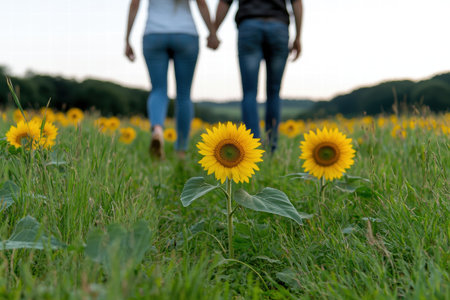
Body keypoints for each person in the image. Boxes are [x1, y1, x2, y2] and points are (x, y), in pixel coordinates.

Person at [125, 0, 219, 159]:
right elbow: (201, 3)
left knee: (158, 90)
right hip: (186, 34)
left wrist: (127, 39)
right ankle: (181, 150)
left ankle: (157, 130)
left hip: (153, 34)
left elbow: (135, 4)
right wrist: (212, 32)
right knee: (184, 95)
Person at [212, 0, 303, 152]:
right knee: (274, 92)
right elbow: (297, 3)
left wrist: (213, 31)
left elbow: (224, 3)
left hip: (249, 26)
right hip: (278, 27)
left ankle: (252, 150)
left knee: (249, 92)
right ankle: (271, 147)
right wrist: (298, 37)